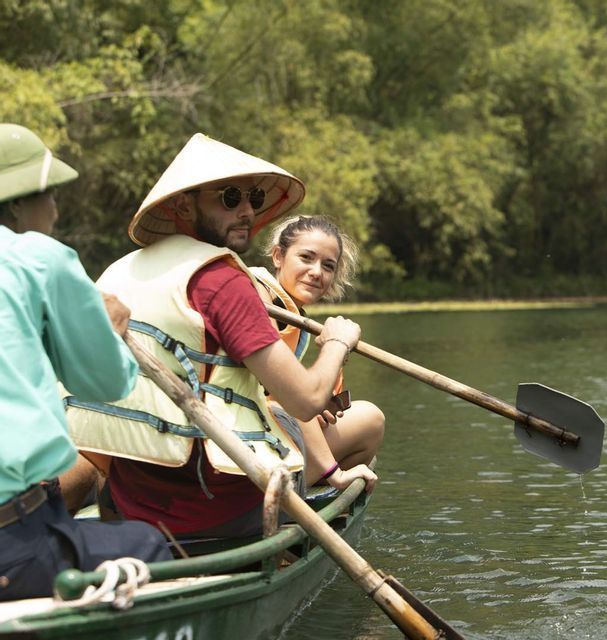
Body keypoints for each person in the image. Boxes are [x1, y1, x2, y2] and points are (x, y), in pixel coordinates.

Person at [65, 133, 375, 539]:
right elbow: (306, 400)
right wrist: (337, 341)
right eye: (229, 198)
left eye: (253, 199)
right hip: (215, 509)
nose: (246, 210)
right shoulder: (222, 282)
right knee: (370, 421)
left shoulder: (122, 270)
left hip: (124, 505)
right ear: (182, 205)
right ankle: (281, 547)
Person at [0, 123, 171, 601]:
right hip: (12, 542)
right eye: (49, 195)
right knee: (148, 543)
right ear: (17, 203)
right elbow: (105, 382)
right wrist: (110, 332)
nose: (55, 209)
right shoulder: (38, 256)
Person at [252, 215, 384, 486]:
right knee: (368, 418)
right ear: (278, 256)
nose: (316, 272)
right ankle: (325, 479)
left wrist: (320, 404)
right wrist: (332, 473)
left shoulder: (290, 311)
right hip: (249, 433)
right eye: (306, 258)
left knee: (368, 419)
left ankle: (308, 490)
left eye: (328, 265)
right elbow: (282, 389)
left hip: (269, 424)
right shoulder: (259, 293)